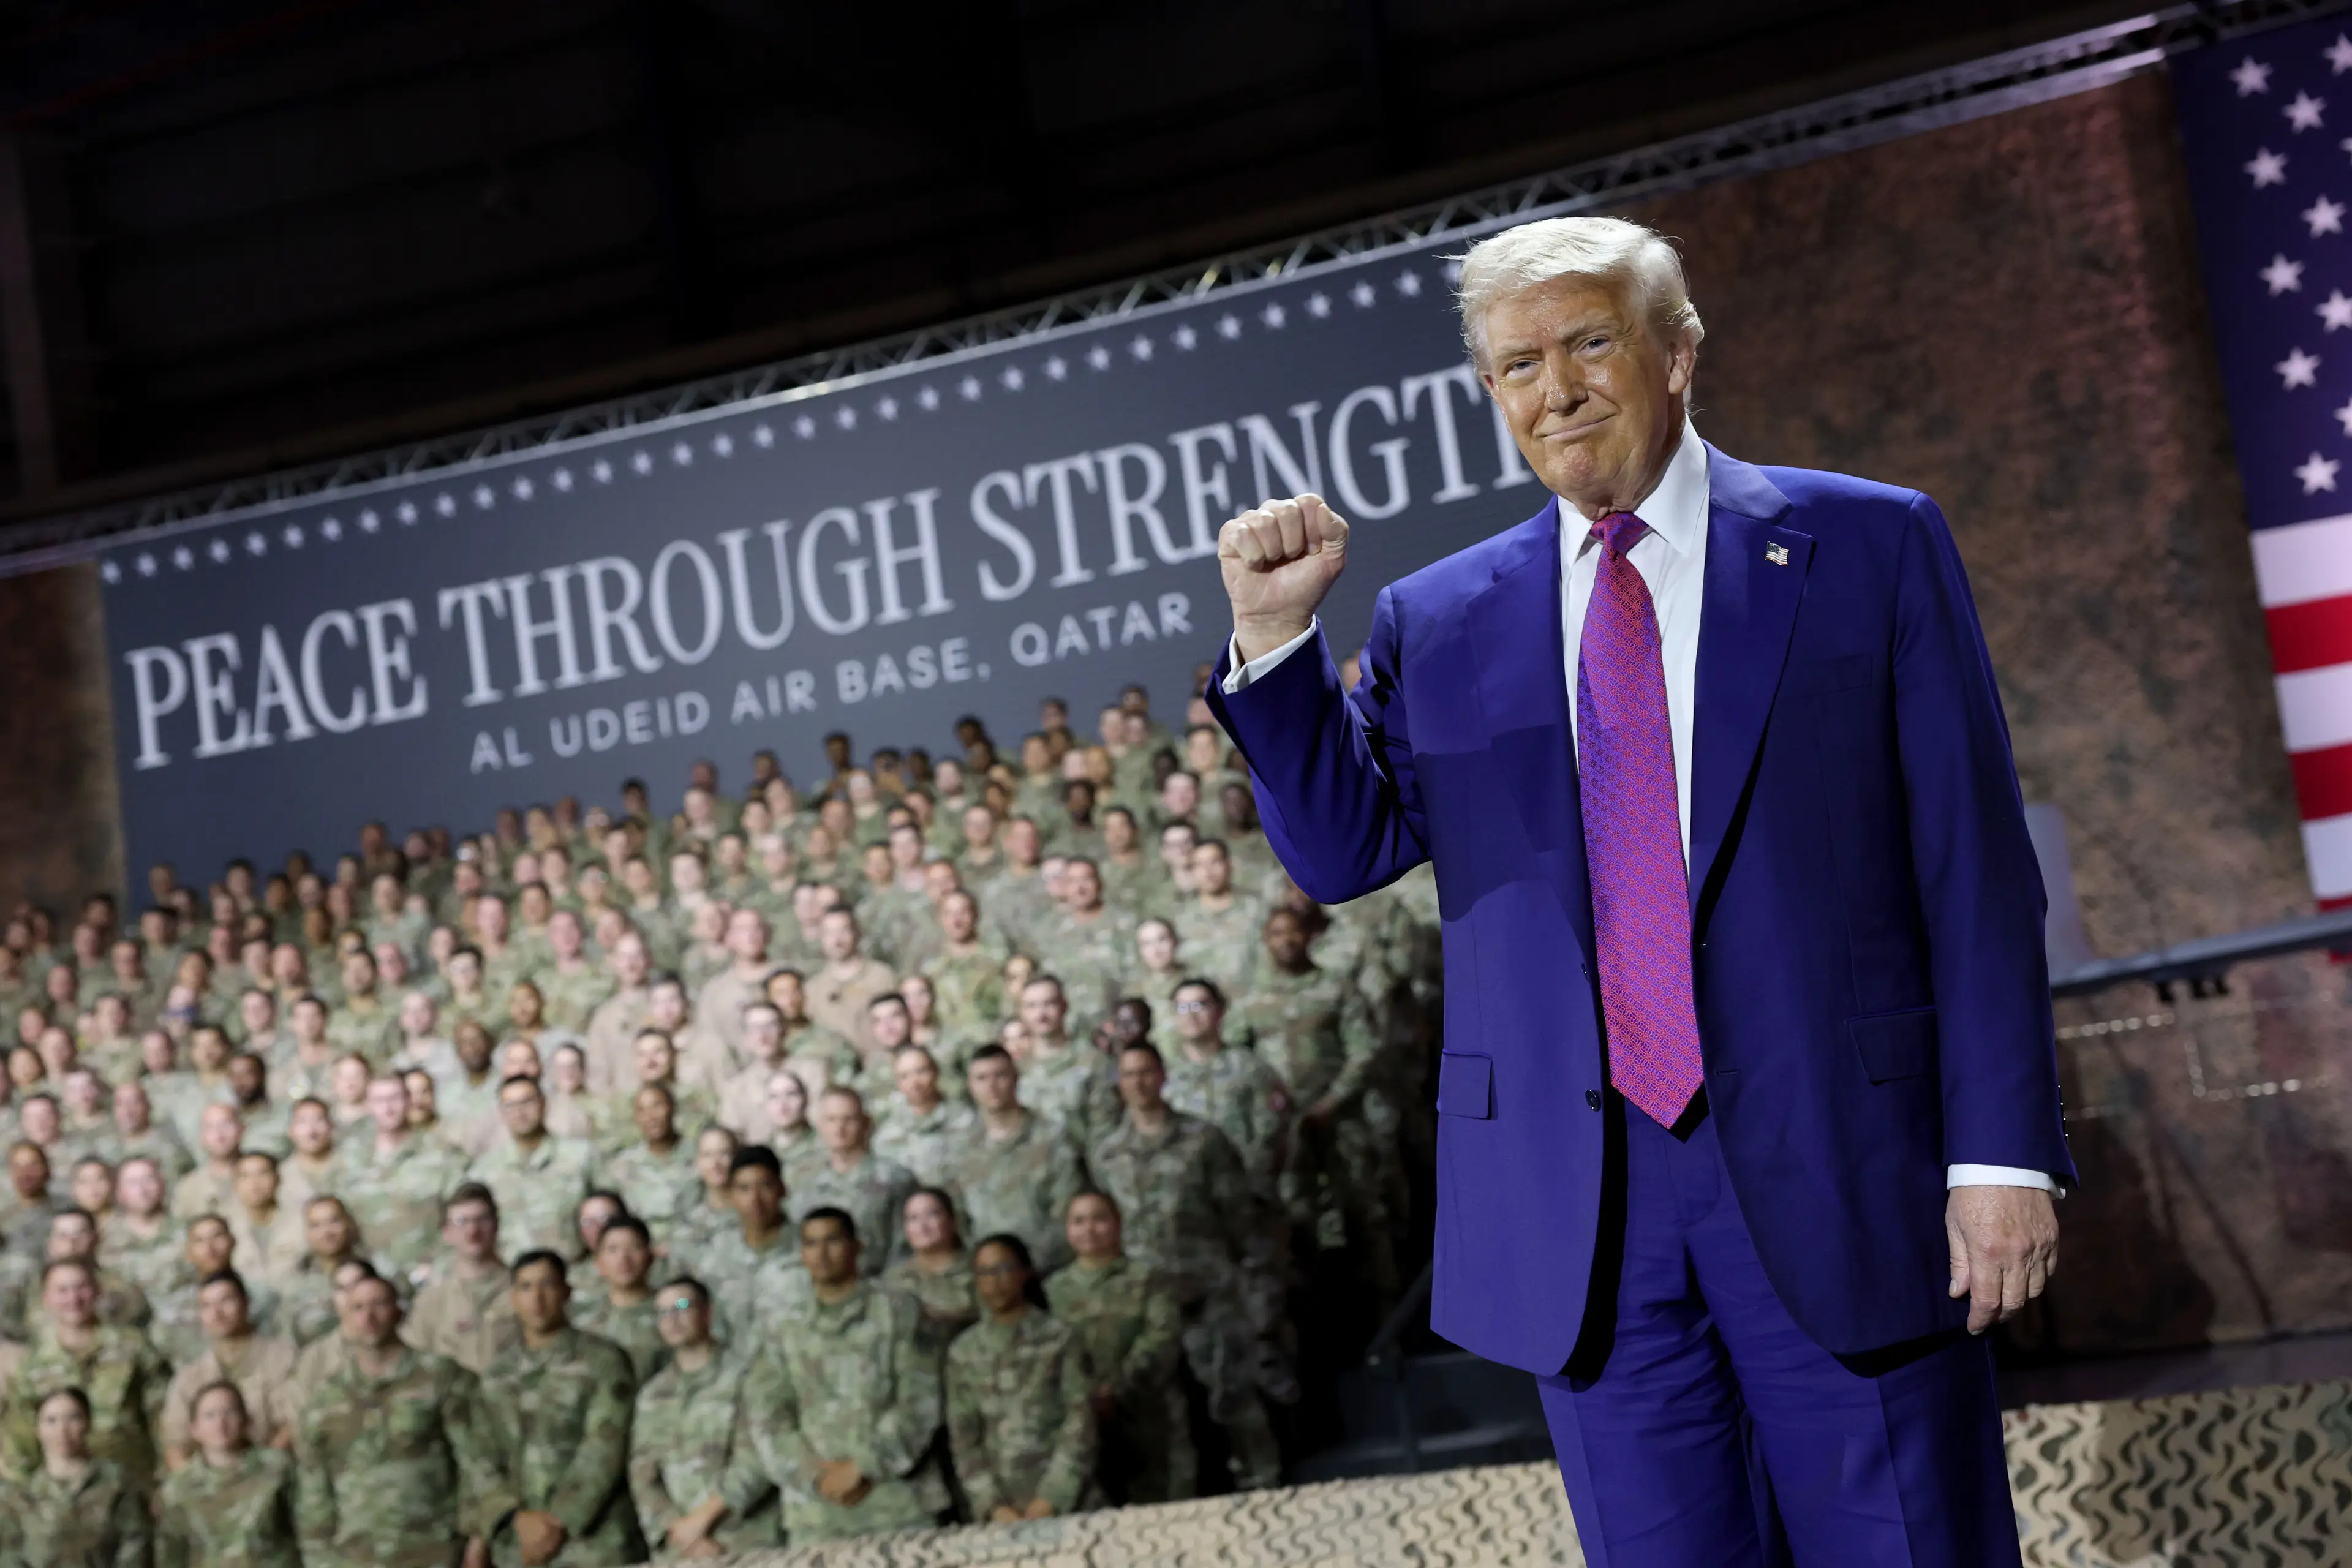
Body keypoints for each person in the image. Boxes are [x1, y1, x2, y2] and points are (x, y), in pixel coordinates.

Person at [1204, 213, 2069, 1564]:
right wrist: (1274, 640)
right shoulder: (1440, 619)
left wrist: (2002, 1153)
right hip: (1585, 1221)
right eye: (1514, 365)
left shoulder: (1868, 545)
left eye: (1590, 342)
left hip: (1846, 1174)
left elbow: (1974, 868)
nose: (1555, 389)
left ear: (1677, 350)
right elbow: (1341, 851)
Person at [1089, 1042, 1283, 1491]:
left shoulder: (1203, 1140)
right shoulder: (1107, 1155)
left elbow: (1238, 1215)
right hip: (1143, 1299)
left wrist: (1244, 1278)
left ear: (1163, 1076)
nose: (1138, 1083)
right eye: (1129, 1075)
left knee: (1232, 1395)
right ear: (1119, 1084)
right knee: (1159, 1408)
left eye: (1146, 1072)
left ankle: (1264, 1482)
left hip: (1207, 1288)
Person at [732, 1208, 947, 1541]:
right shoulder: (783, 1327)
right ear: (801, 1254)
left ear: (856, 1247)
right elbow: (768, 1417)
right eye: (811, 1244)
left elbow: (920, 1402)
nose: (822, 1253)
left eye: (833, 1241)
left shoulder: (899, 1310)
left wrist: (863, 1466)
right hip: (815, 1517)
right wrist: (814, 1475)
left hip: (899, 1506)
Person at [293, 1270, 516, 1568]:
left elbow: (478, 1464)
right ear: (345, 1317)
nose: (368, 1317)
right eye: (358, 1308)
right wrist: (319, 1559)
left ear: (399, 1311)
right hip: (355, 1558)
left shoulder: (442, 1377)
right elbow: (314, 1494)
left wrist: (479, 1541)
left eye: (379, 1305)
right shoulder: (326, 1399)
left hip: (436, 1551)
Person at [480, 1250, 647, 1566]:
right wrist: (515, 1519)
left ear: (567, 1292)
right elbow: (482, 1457)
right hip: (519, 1544)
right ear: (513, 1298)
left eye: (547, 1285)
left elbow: (606, 1446)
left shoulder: (604, 1360)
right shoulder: (497, 1374)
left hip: (595, 1543)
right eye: (526, 1288)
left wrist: (559, 1522)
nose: (537, 1298)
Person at [1046, 1189, 1193, 1504]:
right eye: (1079, 1221)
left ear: (1118, 1223)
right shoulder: (1052, 1291)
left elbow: (1162, 1337)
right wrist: (1084, 1397)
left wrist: (1115, 1388)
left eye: (1100, 1219)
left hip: (1150, 1417)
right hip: (1081, 1427)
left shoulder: (1148, 1279)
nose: (1089, 1229)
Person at [946, 1233, 1098, 1523]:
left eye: (1004, 1269)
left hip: (1069, 1502)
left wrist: (1052, 1498)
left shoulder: (1059, 1338)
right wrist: (993, 1505)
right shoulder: (963, 1352)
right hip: (999, 1513)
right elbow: (964, 1440)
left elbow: (1081, 1424)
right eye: (986, 1272)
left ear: (1024, 1272)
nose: (996, 1281)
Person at [625, 1277, 778, 1559]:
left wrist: (700, 1523)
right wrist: (680, 1532)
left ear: (707, 1312)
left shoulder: (748, 1375)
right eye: (663, 1312)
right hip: (679, 1549)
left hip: (743, 1541)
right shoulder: (652, 1394)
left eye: (682, 1306)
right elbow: (643, 1475)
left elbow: (757, 1458)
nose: (673, 1319)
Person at [4, 1259, 173, 1487]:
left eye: (81, 1287)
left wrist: (167, 1482)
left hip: (131, 1487)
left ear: (97, 1291)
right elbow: (20, 1441)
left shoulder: (134, 1349)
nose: (73, 1299)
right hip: (63, 1498)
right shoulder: (33, 1366)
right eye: (62, 1290)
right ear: (47, 1299)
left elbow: (164, 1421)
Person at [944, 1045, 1087, 1273]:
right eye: (981, 1078)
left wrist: (1023, 1268)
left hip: (1051, 1270)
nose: (991, 1086)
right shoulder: (961, 1150)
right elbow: (959, 1220)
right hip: (987, 1277)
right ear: (971, 1086)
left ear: (1016, 1078)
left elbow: (1069, 1212)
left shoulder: (1052, 1138)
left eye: (1000, 1075)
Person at [160, 1268, 299, 1467]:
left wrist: (262, 1473)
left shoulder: (283, 1358)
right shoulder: (190, 1377)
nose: (217, 1313)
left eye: (225, 1301)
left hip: (275, 1473)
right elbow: (175, 1445)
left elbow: (293, 1426)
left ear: (245, 1303)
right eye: (206, 1306)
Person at [156, 1381, 303, 1568]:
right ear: (195, 1429)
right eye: (210, 1416)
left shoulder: (278, 1468)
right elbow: (172, 1554)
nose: (221, 1424)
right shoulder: (178, 1488)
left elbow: (309, 1531)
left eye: (230, 1413)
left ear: (246, 1421)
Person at [12, 1386, 153, 1568]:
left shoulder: (118, 1485)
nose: (62, 1430)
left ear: (88, 1423)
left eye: (73, 1418)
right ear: (38, 1430)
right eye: (51, 1421)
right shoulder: (24, 1496)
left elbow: (135, 1549)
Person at [790, 1087, 917, 1278]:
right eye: (831, 1119)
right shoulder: (803, 1181)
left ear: (866, 1123)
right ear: (820, 1125)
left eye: (848, 1119)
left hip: (880, 1289)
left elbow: (906, 1247)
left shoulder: (895, 1179)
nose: (839, 1128)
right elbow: (797, 1244)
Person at [467, 1075, 596, 1259]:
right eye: (510, 1106)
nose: (519, 1112)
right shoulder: (484, 1171)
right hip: (512, 1279)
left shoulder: (582, 1156)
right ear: (501, 1112)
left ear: (543, 1104)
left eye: (527, 1102)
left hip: (574, 1274)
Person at [408, 1183, 521, 1374]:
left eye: (482, 1220)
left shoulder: (524, 1290)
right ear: (447, 1232)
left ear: (497, 1225)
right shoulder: (432, 1299)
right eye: (461, 1221)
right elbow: (414, 1366)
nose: (472, 1231)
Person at [878, 1186, 978, 1357]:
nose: (923, 1226)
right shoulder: (893, 1279)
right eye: (913, 1218)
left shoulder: (979, 1270)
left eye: (932, 1215)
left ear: (952, 1221)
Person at [572, 1215, 667, 1381]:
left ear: (650, 1257)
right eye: (613, 1250)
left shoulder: (670, 1311)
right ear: (599, 1262)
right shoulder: (582, 1319)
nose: (623, 1259)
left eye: (634, 1248)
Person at [871, 1044, 976, 1188]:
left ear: (936, 1072)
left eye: (921, 1072)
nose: (915, 1083)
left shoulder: (967, 1120)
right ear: (897, 1083)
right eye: (904, 1076)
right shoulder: (887, 1137)